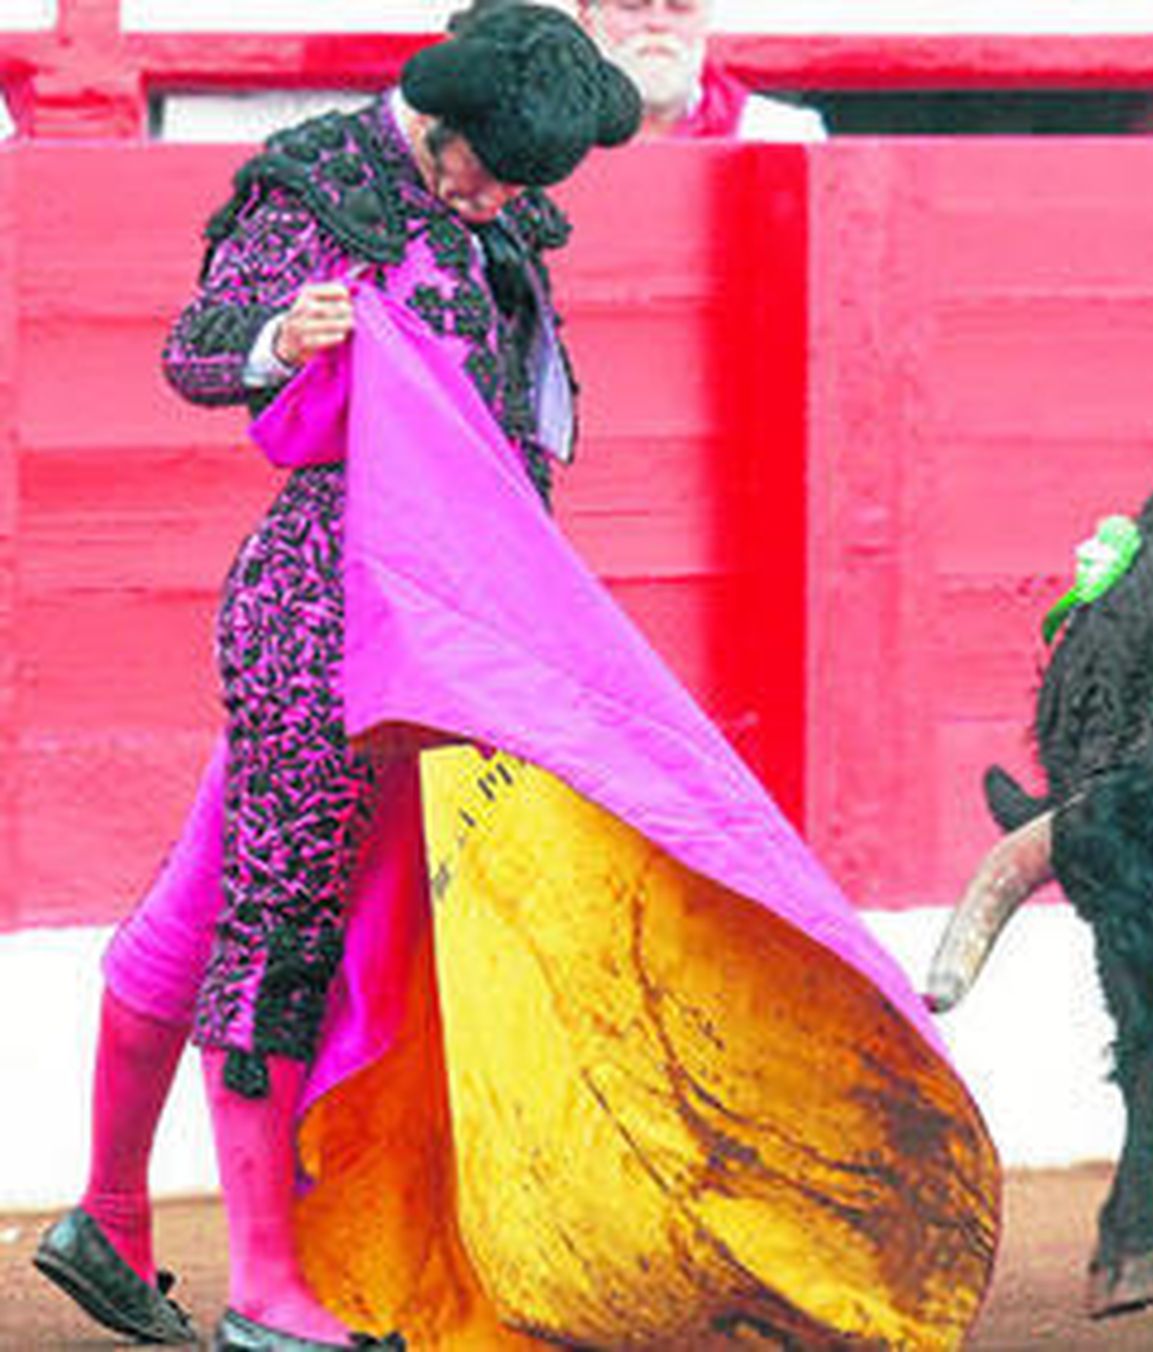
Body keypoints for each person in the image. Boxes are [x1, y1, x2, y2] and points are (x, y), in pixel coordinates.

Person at [32, 6, 639, 1349]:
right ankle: (265, 1290)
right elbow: (194, 348)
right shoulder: (317, 182)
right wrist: (280, 340)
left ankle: (110, 1218)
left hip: (460, 614)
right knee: (282, 927)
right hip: (326, 605)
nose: (503, 200)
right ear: (440, 120)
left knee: (210, 907)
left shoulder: (506, 212)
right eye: (490, 170)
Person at [577, 0, 826, 141]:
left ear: (705, 18)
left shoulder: (781, 133)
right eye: (632, 6)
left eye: (680, 7)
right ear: (588, 21)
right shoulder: (542, 137)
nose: (658, 23)